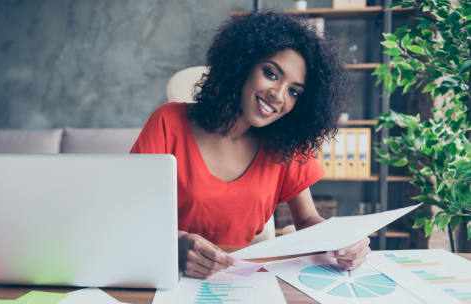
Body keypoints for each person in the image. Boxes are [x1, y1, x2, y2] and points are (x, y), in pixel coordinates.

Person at [130, 11, 370, 279]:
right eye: (271, 73)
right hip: (165, 275)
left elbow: (307, 220)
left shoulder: (286, 146)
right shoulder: (168, 122)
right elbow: (130, 215)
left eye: (294, 91)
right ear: (242, 64)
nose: (278, 96)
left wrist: (344, 242)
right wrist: (175, 244)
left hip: (238, 282)